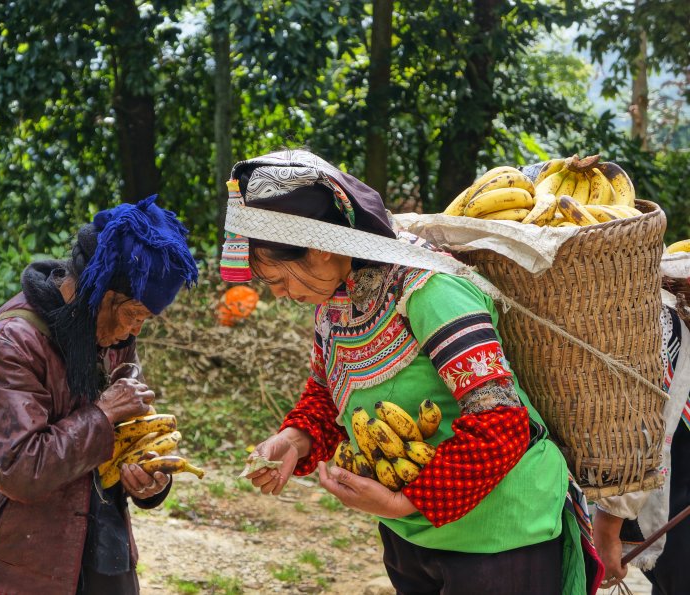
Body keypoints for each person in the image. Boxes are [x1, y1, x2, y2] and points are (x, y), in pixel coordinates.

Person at [222, 150, 604, 594]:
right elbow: (329, 393)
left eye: (278, 279)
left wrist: (404, 501)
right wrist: (295, 439)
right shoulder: (337, 300)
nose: (280, 294)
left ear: (321, 248)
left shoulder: (431, 290)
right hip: (410, 537)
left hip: (497, 537)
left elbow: (502, 424)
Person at [0, 195, 198, 595]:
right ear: (99, 292)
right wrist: (101, 415)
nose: (134, 331)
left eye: (144, 319)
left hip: (104, 549)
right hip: (24, 563)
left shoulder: (114, 333)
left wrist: (148, 480)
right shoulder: (13, 342)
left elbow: (130, 434)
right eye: (132, 315)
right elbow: (18, 469)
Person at [593, 304, 690, 594]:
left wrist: (608, 527)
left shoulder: (666, 330)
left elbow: (641, 428)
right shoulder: (667, 330)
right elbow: (642, 426)